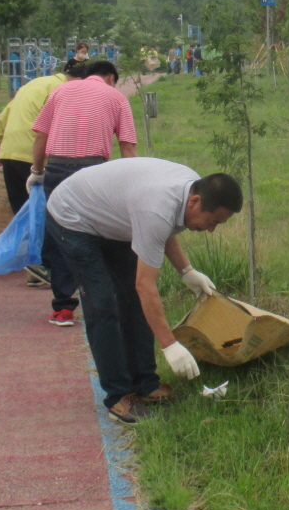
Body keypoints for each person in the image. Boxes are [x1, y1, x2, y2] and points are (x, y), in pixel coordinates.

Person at [46, 160, 241, 424]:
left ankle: (145, 384)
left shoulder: (189, 189)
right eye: (212, 221)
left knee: (133, 302)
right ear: (195, 202)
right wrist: (170, 346)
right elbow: (145, 285)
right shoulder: (157, 207)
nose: (211, 229)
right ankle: (118, 395)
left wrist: (186, 271)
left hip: (114, 216)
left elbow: (163, 229)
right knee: (103, 303)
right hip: (74, 215)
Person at [29, 60, 139, 325]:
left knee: (59, 234)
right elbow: (128, 147)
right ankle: (100, 300)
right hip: (92, 171)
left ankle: (63, 308)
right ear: (111, 77)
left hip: (56, 167)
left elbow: (40, 136)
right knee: (95, 232)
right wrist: (129, 185)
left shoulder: (61, 91)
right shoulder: (116, 97)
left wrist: (37, 171)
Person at [0, 60, 77, 287]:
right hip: (36, 156)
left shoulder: (31, 85)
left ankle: (33, 267)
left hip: (9, 152)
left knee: (23, 211)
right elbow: (60, 127)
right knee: (48, 213)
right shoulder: (63, 90)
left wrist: (6, 150)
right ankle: (47, 266)